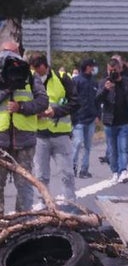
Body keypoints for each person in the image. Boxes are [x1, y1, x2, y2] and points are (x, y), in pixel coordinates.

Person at [0, 41, 48, 213]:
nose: (9, 58)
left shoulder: (30, 76)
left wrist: (21, 107)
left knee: (24, 185)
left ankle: (23, 222)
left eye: (12, 54)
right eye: (5, 53)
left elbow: (43, 102)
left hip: (25, 141)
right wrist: (7, 88)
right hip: (1, 141)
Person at [30, 53, 79, 206]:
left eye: (39, 69)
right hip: (39, 135)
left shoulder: (62, 78)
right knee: (41, 175)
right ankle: (43, 202)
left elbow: (76, 102)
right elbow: (25, 103)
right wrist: (34, 112)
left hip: (60, 134)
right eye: (34, 70)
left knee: (67, 172)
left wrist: (55, 112)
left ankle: (70, 202)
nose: (37, 73)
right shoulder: (29, 80)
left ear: (45, 65)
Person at [95, 55, 128, 183]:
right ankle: (115, 172)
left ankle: (123, 171)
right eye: (110, 70)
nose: (112, 73)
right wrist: (105, 90)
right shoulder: (104, 83)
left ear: (120, 69)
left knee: (123, 148)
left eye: (115, 70)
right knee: (112, 149)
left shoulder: (127, 82)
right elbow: (97, 100)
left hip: (125, 121)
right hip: (110, 122)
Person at [71, 58, 99, 178]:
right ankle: (72, 167)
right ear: (87, 67)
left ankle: (84, 169)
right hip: (79, 119)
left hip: (91, 119)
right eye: (92, 66)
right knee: (77, 143)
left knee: (88, 146)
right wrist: (72, 116)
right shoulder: (76, 81)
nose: (94, 69)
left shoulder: (94, 82)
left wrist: (98, 114)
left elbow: (97, 100)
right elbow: (71, 100)